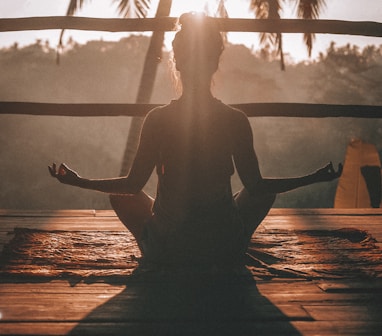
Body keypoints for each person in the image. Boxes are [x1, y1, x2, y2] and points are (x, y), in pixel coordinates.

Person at [49, 12, 342, 269]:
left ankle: (153, 249)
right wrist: (313, 177)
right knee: (262, 192)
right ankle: (233, 243)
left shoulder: (158, 119)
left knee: (121, 196)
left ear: (177, 63)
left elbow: (131, 186)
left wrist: (79, 181)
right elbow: (257, 186)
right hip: (223, 248)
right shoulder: (235, 119)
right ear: (215, 63)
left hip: (168, 250)